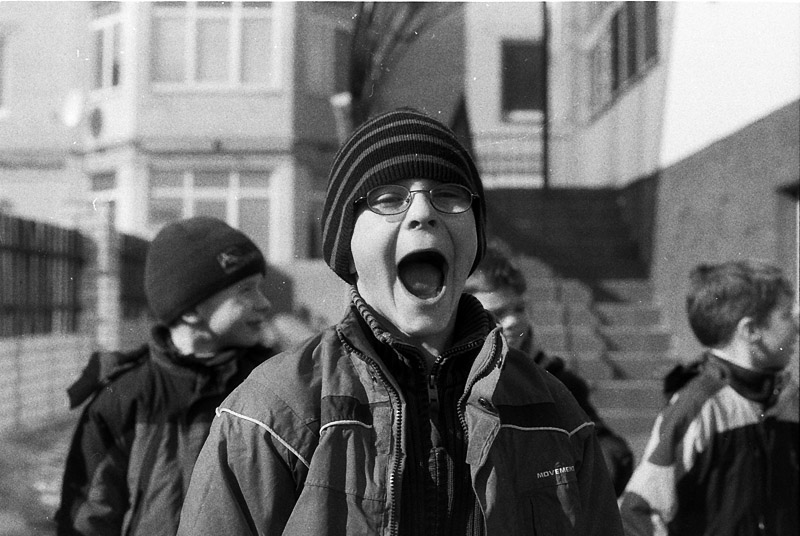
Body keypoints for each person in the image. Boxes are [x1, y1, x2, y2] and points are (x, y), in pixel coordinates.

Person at [178, 108, 623, 535]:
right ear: (347, 244)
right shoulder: (272, 414)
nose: (423, 212)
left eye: (448, 195)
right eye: (389, 198)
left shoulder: (553, 413)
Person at [56, 216, 275, 536]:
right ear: (191, 310)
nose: (264, 303)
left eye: (260, 287)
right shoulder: (126, 397)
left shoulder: (270, 386)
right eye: (246, 290)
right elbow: (87, 519)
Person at [619, 259, 799, 536]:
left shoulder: (790, 401)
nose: (797, 326)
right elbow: (638, 513)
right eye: (786, 315)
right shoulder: (699, 407)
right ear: (751, 331)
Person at [463, 240, 634, 496]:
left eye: (519, 308)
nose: (513, 321)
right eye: (497, 313)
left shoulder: (555, 380)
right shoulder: (450, 383)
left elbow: (603, 448)